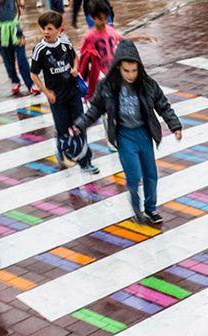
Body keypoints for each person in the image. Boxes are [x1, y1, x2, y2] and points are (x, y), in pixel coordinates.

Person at [73, 40, 182, 225]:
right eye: (126, 71)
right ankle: (137, 209)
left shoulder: (147, 84)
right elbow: (95, 108)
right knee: (134, 175)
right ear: (118, 67)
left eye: (134, 70)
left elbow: (163, 105)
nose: (131, 75)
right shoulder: (108, 86)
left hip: (144, 134)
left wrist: (175, 126)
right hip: (124, 136)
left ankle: (151, 208)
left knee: (150, 174)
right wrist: (81, 124)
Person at [30, 11, 99, 174]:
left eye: (49, 28)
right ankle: (62, 150)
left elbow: (75, 57)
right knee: (62, 129)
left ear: (59, 29)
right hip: (57, 98)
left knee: (79, 127)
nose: (46, 32)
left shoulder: (65, 43)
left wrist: (75, 68)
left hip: (73, 93)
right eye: (43, 28)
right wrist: (46, 92)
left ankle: (85, 162)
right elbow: (33, 74)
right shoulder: (39, 49)